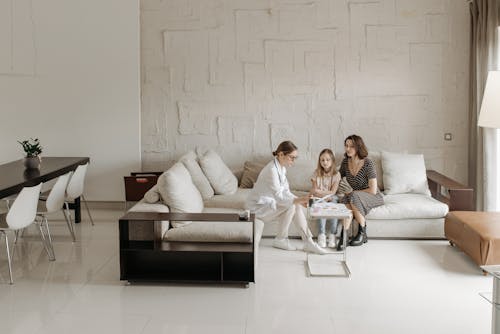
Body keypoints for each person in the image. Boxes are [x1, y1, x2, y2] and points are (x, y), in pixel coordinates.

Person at [246, 140, 326, 255]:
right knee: (292, 206)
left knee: (295, 205)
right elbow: (279, 197)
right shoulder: (271, 170)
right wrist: (299, 200)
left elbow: (286, 192)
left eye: (295, 158)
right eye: (291, 157)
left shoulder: (281, 168)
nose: (293, 161)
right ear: (281, 154)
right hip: (258, 208)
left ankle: (308, 241)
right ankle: (282, 239)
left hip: (268, 203)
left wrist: (300, 200)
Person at [338, 134, 384, 249]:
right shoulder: (345, 163)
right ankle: (344, 236)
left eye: (351, 146)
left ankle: (362, 233)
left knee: (352, 196)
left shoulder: (368, 163)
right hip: (353, 195)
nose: (347, 149)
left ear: (358, 147)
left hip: (372, 196)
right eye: (346, 146)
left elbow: (373, 190)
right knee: (345, 200)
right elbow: (339, 179)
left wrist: (353, 193)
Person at [310, 149, 341, 248]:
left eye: (327, 160)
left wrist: (322, 193)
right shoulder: (316, 173)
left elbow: (333, 192)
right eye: (322, 160)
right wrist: (324, 195)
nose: (325, 162)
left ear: (332, 161)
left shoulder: (336, 174)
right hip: (319, 198)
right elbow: (315, 191)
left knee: (333, 206)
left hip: (332, 197)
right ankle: (321, 235)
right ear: (319, 161)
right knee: (321, 206)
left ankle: (333, 235)